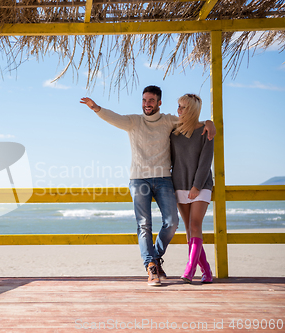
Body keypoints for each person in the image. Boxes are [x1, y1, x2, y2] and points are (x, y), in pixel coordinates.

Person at [80, 86, 215, 287]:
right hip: (139, 180)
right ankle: (151, 265)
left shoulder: (170, 121)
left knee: (172, 223)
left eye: (151, 100)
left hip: (164, 179)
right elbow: (114, 117)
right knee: (144, 225)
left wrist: (210, 123)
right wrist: (96, 108)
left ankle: (154, 257)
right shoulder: (134, 121)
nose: (147, 104)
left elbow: (193, 121)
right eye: (144, 100)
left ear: (159, 102)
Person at [170, 93, 214, 284]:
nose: (178, 110)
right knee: (189, 229)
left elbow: (206, 161)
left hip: (201, 185)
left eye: (183, 107)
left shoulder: (205, 131)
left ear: (192, 110)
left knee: (195, 225)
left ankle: (189, 270)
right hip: (179, 184)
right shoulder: (174, 133)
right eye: (178, 106)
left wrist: (196, 186)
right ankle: (207, 272)